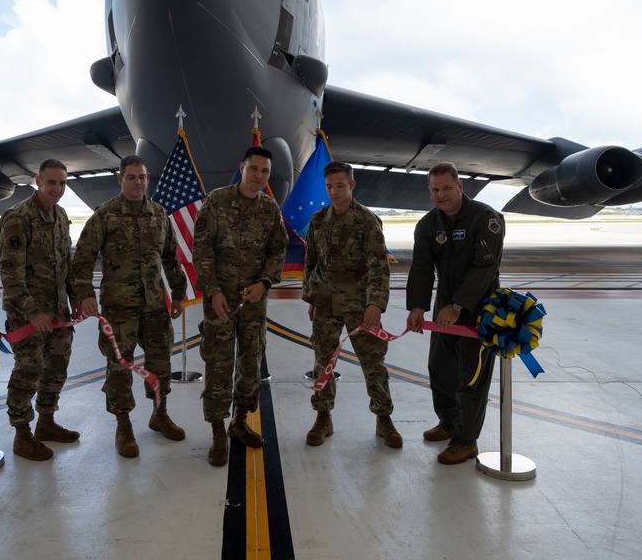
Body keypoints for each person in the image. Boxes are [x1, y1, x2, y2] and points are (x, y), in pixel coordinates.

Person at [71, 155, 188, 458]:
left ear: (149, 179)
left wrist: (177, 293)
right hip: (118, 309)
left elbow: (171, 258)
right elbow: (83, 257)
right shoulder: (106, 216)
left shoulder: (159, 214)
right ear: (120, 179)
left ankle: (159, 414)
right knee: (120, 367)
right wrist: (84, 293)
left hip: (154, 306)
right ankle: (123, 425)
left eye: (143, 177)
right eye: (132, 177)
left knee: (161, 363)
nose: (138, 183)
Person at [192, 146, 288, 467]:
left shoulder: (270, 209)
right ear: (242, 167)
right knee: (218, 366)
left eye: (265, 171)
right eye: (254, 169)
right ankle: (219, 432)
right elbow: (202, 249)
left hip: (253, 305)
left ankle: (239, 421)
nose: (259, 176)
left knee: (251, 365)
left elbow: (278, 250)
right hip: (220, 303)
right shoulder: (217, 202)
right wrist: (214, 290)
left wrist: (264, 283)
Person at [406, 161, 505, 465]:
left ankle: (466, 440)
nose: (441, 195)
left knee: (471, 376)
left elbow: (484, 269)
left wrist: (458, 305)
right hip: (444, 307)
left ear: (460, 186)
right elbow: (422, 269)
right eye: (434, 189)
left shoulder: (486, 219)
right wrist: (417, 307)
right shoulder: (427, 225)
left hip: (479, 307)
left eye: (447, 188)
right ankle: (448, 422)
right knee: (441, 367)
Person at [303, 161, 402, 448]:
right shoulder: (319, 220)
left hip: (361, 306)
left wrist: (376, 305)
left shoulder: (367, 222)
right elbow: (311, 264)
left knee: (372, 362)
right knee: (323, 362)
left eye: (340, 186)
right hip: (325, 305)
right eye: (329, 187)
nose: (334, 192)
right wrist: (311, 297)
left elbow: (378, 267)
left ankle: (384, 418)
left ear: (352, 185)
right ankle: (323, 417)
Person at [0, 159, 81, 461]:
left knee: (57, 369)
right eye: (51, 183)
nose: (57, 189)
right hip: (28, 317)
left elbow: (66, 266)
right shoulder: (19, 219)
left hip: (58, 314)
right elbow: (10, 274)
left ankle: (46, 423)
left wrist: (75, 299)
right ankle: (22, 435)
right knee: (28, 372)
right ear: (38, 182)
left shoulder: (60, 216)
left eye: (62, 183)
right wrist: (33, 312)